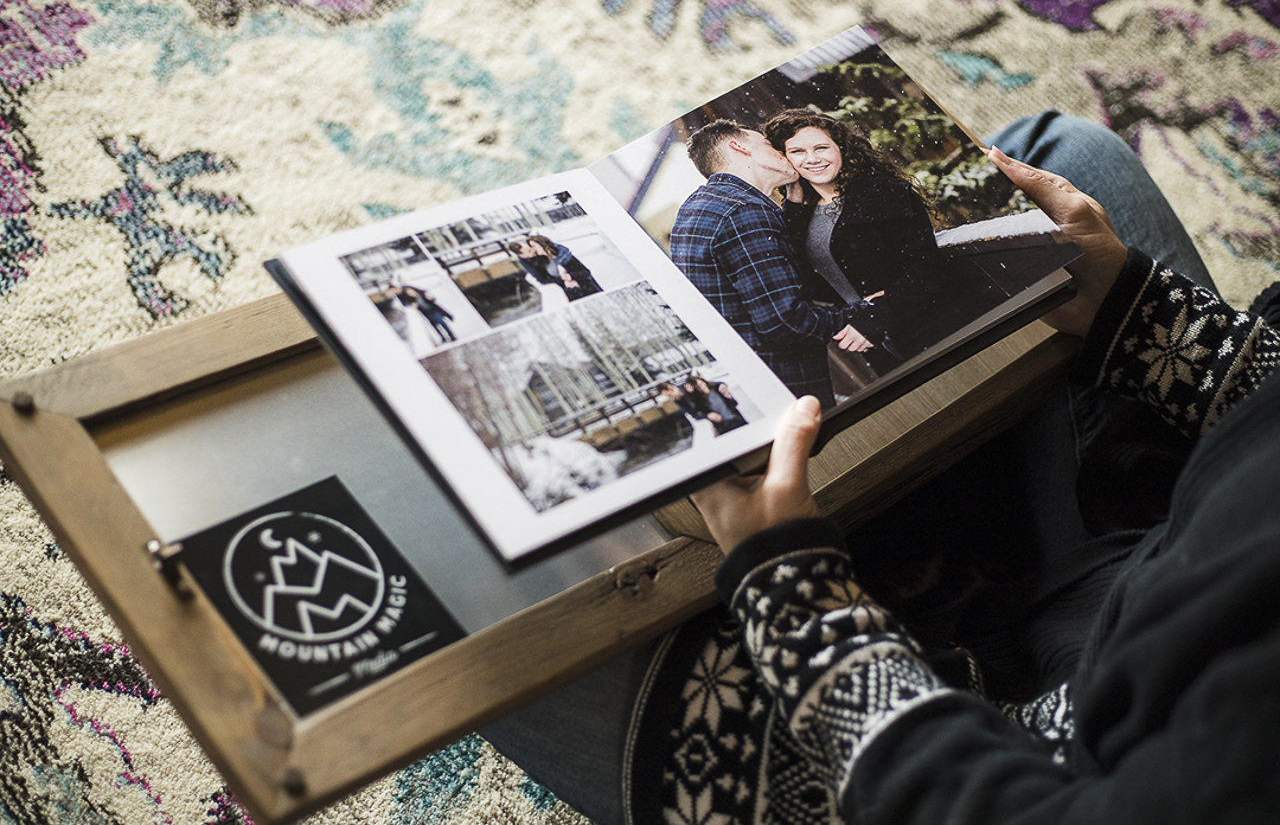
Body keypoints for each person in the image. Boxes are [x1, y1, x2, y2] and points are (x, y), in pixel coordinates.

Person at [479, 112, 1280, 825]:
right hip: (1184, 519)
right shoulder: (760, 208)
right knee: (1061, 151)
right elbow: (788, 310)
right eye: (779, 144)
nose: (791, 154)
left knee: (485, 616)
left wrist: (792, 589)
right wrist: (1144, 312)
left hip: (1039, 743)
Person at [763, 108, 1003, 371]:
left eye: (821, 147)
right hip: (882, 347)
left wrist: (879, 314)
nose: (812, 159)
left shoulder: (881, 194)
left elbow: (925, 270)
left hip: (937, 328)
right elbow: (802, 279)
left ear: (840, 148)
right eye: (797, 152)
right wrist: (794, 202)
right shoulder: (802, 214)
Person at [668, 119, 883, 408]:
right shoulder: (742, 211)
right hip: (787, 382)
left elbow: (764, 268)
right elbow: (786, 321)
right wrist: (865, 310)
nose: (783, 154)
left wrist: (793, 204)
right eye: (769, 146)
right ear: (739, 147)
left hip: (757, 378)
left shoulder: (701, 206)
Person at [525, 234, 603, 301]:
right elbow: (542, 278)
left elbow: (584, 272)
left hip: (588, 290)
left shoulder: (562, 255)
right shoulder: (543, 262)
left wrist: (572, 277)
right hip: (572, 294)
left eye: (533, 246)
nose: (533, 249)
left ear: (541, 243)